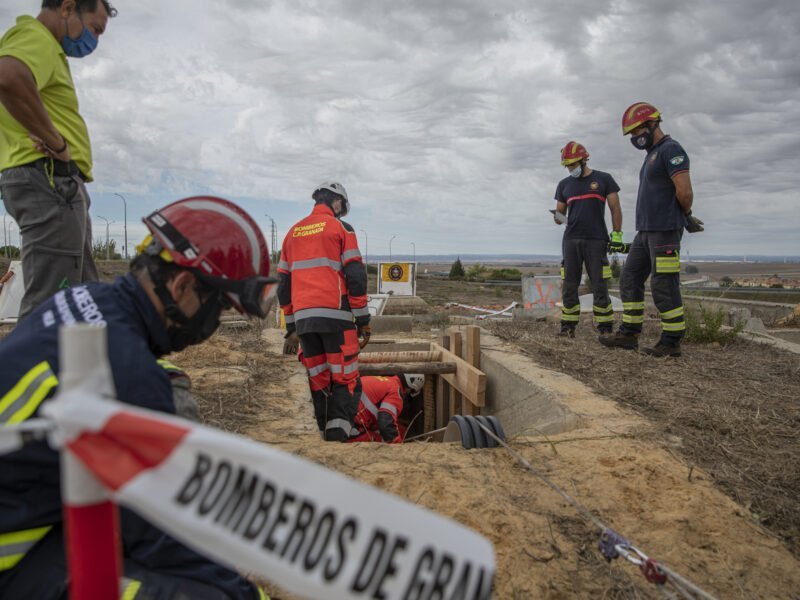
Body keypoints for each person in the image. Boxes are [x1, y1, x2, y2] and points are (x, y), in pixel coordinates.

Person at [0, 196, 274, 599]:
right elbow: (165, 539)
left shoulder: (77, 302)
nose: (213, 324)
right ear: (182, 287)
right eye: (217, 308)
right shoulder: (130, 374)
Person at [0, 0, 117, 320]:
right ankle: (28, 368)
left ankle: (78, 368)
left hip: (59, 183)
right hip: (48, 178)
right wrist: (56, 142)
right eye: (95, 28)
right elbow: (8, 76)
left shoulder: (47, 50)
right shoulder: (34, 36)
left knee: (83, 299)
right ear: (67, 7)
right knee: (52, 305)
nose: (94, 40)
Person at [600, 102, 703, 357]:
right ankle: (629, 334)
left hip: (665, 230)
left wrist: (685, 215)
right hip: (645, 232)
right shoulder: (651, 155)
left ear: (652, 123)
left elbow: (685, 191)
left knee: (663, 285)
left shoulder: (671, 149)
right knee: (630, 278)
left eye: (637, 131)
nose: (635, 137)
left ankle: (671, 342)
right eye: (632, 134)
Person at [278, 181, 370, 442]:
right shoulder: (341, 228)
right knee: (346, 381)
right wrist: (363, 319)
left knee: (319, 382)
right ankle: (337, 443)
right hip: (337, 320)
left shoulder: (292, 233)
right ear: (337, 202)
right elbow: (355, 275)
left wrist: (291, 325)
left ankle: (321, 439)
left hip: (305, 324)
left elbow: (283, 285)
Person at [553, 141, 623, 337]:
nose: (570, 169)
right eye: (567, 166)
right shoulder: (564, 185)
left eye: (573, 165)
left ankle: (605, 327)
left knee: (600, 283)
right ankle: (568, 327)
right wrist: (557, 217)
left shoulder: (604, 179)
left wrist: (617, 234)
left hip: (596, 240)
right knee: (569, 284)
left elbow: (615, 208)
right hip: (571, 240)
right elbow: (560, 215)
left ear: (584, 160)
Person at [348, 374, 425, 444]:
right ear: (409, 389)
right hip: (350, 425)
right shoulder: (396, 392)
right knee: (380, 440)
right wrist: (397, 445)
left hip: (342, 414)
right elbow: (386, 422)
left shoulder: (387, 381)